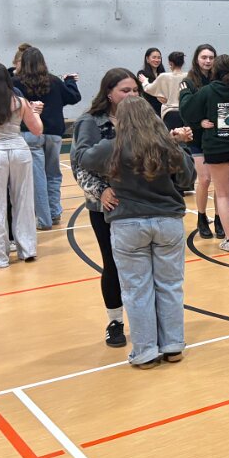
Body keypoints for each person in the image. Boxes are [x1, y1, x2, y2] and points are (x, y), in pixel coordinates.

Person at [78, 97, 195, 368]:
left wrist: (85, 125)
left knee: (136, 290)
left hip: (128, 224)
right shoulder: (166, 146)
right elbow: (188, 178)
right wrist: (179, 143)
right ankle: (173, 345)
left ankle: (145, 352)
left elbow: (83, 158)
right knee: (170, 286)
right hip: (167, 222)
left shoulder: (112, 146)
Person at [72, 69, 142, 347]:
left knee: (140, 265)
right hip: (106, 208)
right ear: (109, 93)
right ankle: (115, 322)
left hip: (138, 202)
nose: (132, 95)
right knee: (112, 264)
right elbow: (79, 165)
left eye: (135, 90)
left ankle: (144, 319)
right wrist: (101, 191)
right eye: (125, 90)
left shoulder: (140, 117)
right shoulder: (89, 122)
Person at [180, 54, 229, 250]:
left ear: (215, 70)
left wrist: (184, 92)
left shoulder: (207, 91)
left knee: (223, 195)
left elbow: (188, 111)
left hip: (216, 148)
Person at [0, 62, 42, 267]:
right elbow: (37, 130)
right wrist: (36, 112)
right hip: (19, 151)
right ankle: (27, 249)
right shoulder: (20, 102)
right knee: (23, 201)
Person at [14, 45, 80, 230]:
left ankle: (44, 218)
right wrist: (70, 81)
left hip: (30, 132)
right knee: (53, 174)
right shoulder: (53, 81)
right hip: (53, 133)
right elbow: (73, 97)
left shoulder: (16, 82)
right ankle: (54, 212)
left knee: (38, 177)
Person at [180, 45, 223, 240]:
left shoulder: (219, 79)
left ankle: (220, 218)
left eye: (211, 57)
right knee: (204, 179)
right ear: (196, 59)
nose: (207, 61)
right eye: (204, 57)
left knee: (220, 182)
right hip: (198, 137)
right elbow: (185, 111)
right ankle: (202, 217)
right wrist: (199, 123)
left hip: (217, 138)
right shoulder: (188, 82)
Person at [141, 50, 188, 129]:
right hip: (186, 112)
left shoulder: (163, 76)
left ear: (170, 63)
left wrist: (145, 81)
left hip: (169, 113)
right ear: (182, 63)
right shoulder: (188, 76)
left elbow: (148, 89)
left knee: (171, 135)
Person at [138, 47, 164, 113]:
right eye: (154, 57)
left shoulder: (163, 74)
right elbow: (148, 92)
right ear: (147, 59)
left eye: (159, 58)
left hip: (164, 108)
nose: (157, 60)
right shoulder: (142, 74)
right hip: (149, 109)